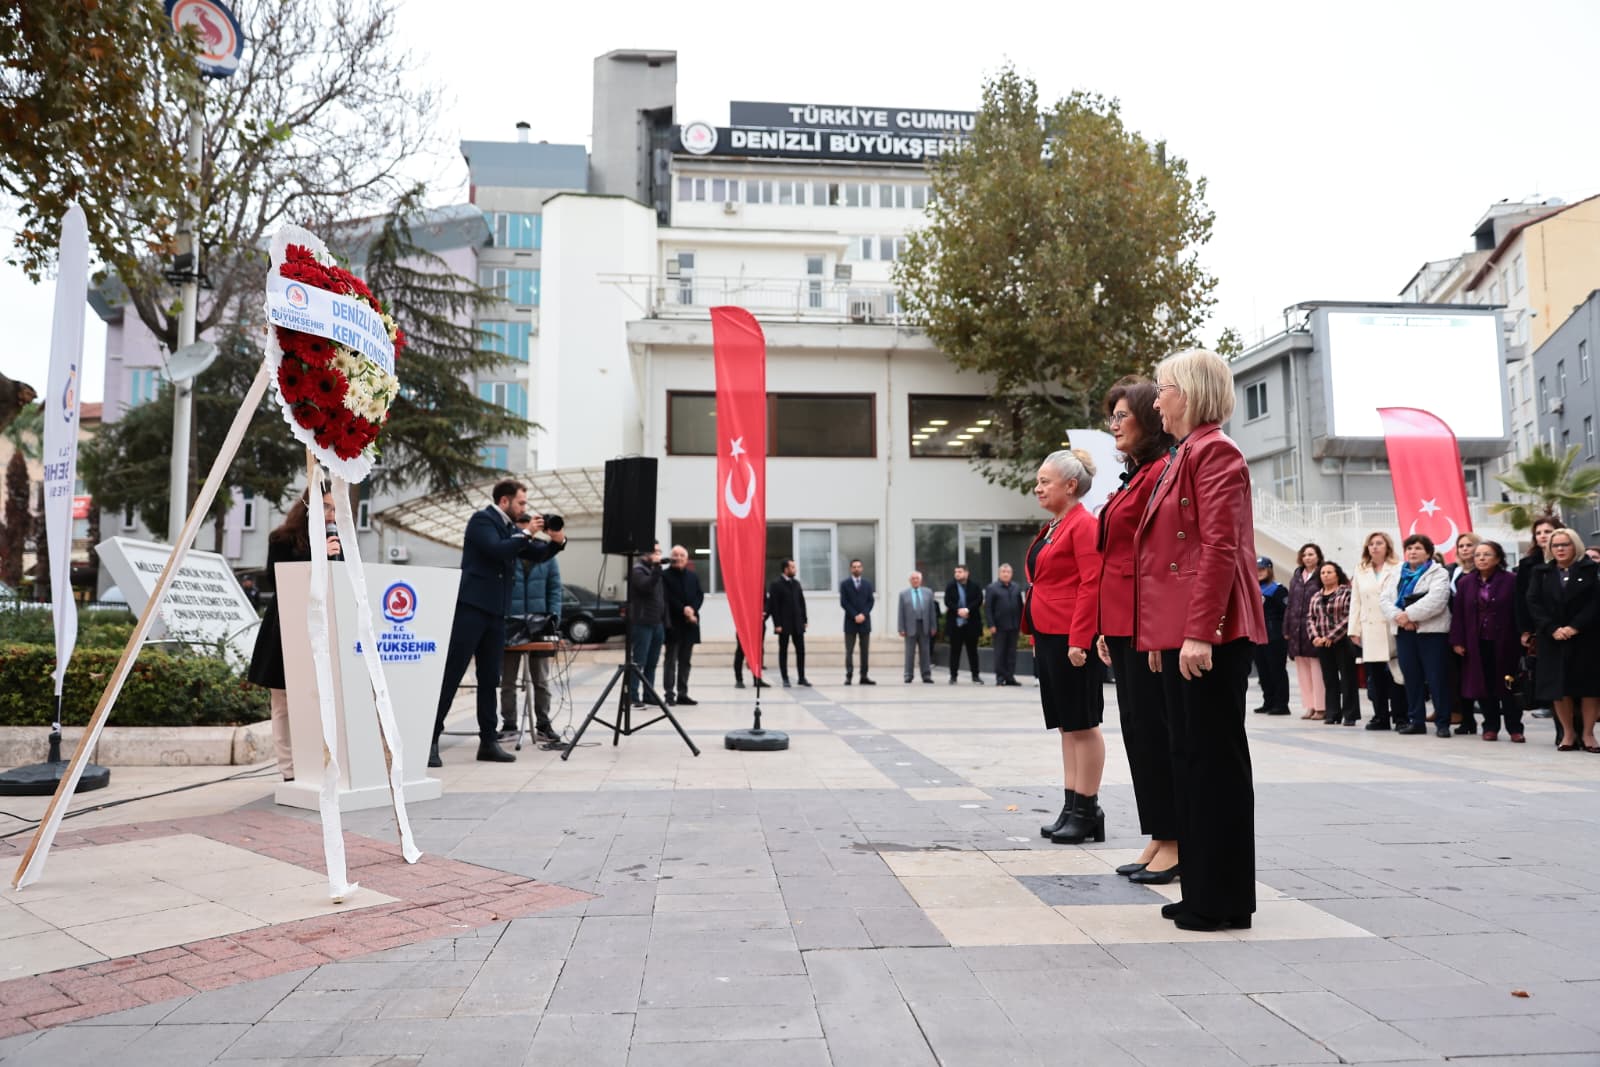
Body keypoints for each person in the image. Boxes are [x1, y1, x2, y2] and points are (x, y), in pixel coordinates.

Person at [1138, 348, 1266, 932]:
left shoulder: (1215, 450)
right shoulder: (1183, 452)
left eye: (1162, 388)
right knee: (1189, 759)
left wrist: (1198, 633)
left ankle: (1224, 898)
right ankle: (1203, 890)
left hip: (1210, 633)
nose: (1155, 399)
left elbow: (1217, 548)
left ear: (1188, 392)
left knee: (1213, 763)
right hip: (1187, 633)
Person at [1092, 376, 1179, 881]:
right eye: (1112, 416)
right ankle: (1158, 834)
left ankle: (1174, 837)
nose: (1114, 424)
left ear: (1149, 417)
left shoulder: (1161, 473)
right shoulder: (1137, 475)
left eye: (1123, 415)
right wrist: (1107, 625)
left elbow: (1158, 558)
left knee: (1154, 731)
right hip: (1123, 622)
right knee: (1138, 732)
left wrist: (1151, 628)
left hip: (1146, 624)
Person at [431, 479, 565, 766]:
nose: (524, 508)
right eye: (521, 503)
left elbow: (537, 555)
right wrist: (527, 532)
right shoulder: (482, 521)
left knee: (490, 679)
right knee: (452, 674)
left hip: (496, 613)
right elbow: (497, 550)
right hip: (471, 608)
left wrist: (557, 542)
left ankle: (488, 742)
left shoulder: (509, 529)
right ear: (504, 501)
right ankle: (430, 740)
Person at [1026, 448, 1105, 846]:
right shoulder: (1055, 526)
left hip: (1073, 637)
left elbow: (1092, 583)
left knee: (1083, 723)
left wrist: (1080, 640)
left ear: (1070, 486)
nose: (1037, 487)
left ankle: (1088, 808)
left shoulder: (1083, 525)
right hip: (1050, 635)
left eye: (1045, 481)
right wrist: (1036, 635)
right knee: (1065, 723)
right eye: (1039, 481)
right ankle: (1072, 804)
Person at [246, 485, 342, 781]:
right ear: (308, 506)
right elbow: (278, 579)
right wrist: (319, 557)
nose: (331, 515)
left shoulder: (337, 540)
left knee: (317, 698)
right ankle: (288, 769)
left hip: (323, 627)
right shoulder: (282, 538)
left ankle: (319, 764)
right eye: (326, 507)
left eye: (335, 509)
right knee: (283, 702)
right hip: (285, 627)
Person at [1526, 528, 1600, 751]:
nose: (1560, 549)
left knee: (1588, 688)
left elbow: (1595, 602)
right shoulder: (1541, 572)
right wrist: (1552, 628)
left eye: (1565, 544)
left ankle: (1588, 734)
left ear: (1574, 545)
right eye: (1555, 545)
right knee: (1560, 687)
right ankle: (1568, 734)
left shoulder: (1590, 569)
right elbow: (1533, 602)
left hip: (1585, 636)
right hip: (1553, 638)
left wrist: (1575, 626)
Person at [1449, 541, 1524, 743]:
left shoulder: (1511, 580)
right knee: (1483, 685)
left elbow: (1520, 610)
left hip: (1506, 641)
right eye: (1478, 555)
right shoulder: (1466, 583)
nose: (1481, 558)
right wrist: (1457, 640)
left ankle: (1515, 727)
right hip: (1476, 642)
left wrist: (1524, 635)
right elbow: (1458, 615)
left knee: (1507, 685)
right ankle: (1490, 726)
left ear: (1498, 558)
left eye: (1487, 554)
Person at [1382, 534, 1452, 737]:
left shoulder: (1438, 573)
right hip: (1404, 632)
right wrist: (1400, 618)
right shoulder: (1397, 572)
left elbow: (1436, 600)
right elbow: (1385, 599)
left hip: (1431, 633)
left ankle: (1442, 722)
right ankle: (1416, 720)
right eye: (1410, 548)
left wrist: (1409, 615)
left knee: (1436, 677)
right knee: (1411, 677)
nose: (1413, 552)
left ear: (1428, 553)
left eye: (1418, 548)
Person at [499, 551, 563, 746]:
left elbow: (554, 589)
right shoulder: (507, 552)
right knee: (508, 680)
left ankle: (543, 724)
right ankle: (509, 724)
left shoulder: (548, 556)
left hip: (540, 623)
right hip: (510, 624)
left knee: (541, 680)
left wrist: (553, 618)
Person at [1350, 531, 1405, 730]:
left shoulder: (1398, 567)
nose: (1374, 547)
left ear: (1387, 546)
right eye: (1371, 543)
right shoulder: (1361, 569)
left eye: (1379, 543)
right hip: (1369, 627)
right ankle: (1380, 716)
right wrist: (1353, 629)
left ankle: (1401, 716)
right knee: (1375, 676)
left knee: (1397, 675)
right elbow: (1355, 601)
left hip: (1391, 626)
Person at [1515, 515, 1559, 729]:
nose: (1543, 536)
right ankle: (1547, 704)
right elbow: (1522, 599)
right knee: (1544, 669)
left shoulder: (1572, 560)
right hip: (1538, 626)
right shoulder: (1528, 564)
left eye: (1548, 531)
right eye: (1539, 532)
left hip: (1568, 625)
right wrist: (1524, 630)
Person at [1308, 561, 1360, 726]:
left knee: (1347, 678)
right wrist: (1315, 637)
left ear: (1337, 575)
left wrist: (1331, 636)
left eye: (1329, 572)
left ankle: (1350, 715)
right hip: (1322, 643)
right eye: (1323, 573)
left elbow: (1348, 617)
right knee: (1329, 679)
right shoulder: (1316, 596)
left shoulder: (1346, 593)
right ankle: (1332, 713)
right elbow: (1310, 618)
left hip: (1342, 641)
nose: (1325, 575)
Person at [1446, 531, 1484, 735]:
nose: (1465, 549)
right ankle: (1467, 719)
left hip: (1480, 631)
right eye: (1461, 546)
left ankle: (1490, 721)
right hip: (1457, 630)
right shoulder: (1454, 572)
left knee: (1482, 677)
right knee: (1460, 678)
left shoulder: (1485, 572)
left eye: (1469, 545)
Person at [1286, 543, 1327, 720]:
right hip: (1296, 629)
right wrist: (1287, 628)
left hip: (1315, 628)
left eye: (1311, 554)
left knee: (1317, 670)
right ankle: (1309, 705)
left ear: (1318, 556)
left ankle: (1321, 707)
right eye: (1304, 555)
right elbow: (1290, 604)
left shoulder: (1322, 575)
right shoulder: (1296, 577)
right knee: (1302, 671)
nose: (1307, 558)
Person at [661, 544, 704, 705]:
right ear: (671, 558)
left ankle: (682, 693)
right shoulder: (664, 576)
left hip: (690, 624)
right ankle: (669, 694)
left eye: (682, 556)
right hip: (673, 624)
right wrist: (683, 609)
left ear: (686, 559)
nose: (679, 558)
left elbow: (699, 595)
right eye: (676, 555)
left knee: (685, 661)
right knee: (671, 661)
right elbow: (667, 598)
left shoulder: (693, 576)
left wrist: (692, 609)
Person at [627, 541, 667, 707]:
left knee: (652, 662)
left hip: (656, 623)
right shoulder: (638, 571)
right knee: (639, 661)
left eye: (659, 551)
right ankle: (633, 696)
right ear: (646, 554)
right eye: (655, 552)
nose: (658, 555)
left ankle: (649, 695)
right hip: (642, 623)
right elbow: (647, 587)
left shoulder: (652, 570)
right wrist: (657, 568)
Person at [1254, 557, 1290, 715]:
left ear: (1269, 570)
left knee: (1277, 670)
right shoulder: (1253, 588)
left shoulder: (1278, 589)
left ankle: (1281, 704)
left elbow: (1287, 613)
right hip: (1257, 636)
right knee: (1263, 671)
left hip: (1275, 636)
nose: (1259, 573)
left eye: (1262, 569)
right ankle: (1268, 701)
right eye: (1256, 569)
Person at [767, 558, 809, 686]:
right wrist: (777, 624)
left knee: (801, 651)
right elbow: (774, 606)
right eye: (792, 567)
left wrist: (804, 619)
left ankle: (802, 677)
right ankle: (785, 678)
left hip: (797, 623)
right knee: (783, 651)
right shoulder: (776, 584)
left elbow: (801, 603)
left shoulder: (796, 584)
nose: (794, 570)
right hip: (784, 624)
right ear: (786, 569)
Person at [943, 564, 985, 684]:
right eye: (956, 572)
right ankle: (953, 676)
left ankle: (975, 676)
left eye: (960, 572)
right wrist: (958, 610)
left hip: (971, 623)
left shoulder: (975, 586)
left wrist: (967, 610)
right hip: (956, 624)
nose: (957, 574)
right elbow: (947, 601)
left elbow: (979, 599)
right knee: (954, 651)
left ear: (966, 573)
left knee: (973, 652)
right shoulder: (950, 586)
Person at [986, 564, 1025, 686]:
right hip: (999, 627)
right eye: (1003, 571)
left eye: (1008, 572)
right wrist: (991, 624)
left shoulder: (1016, 587)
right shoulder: (992, 588)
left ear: (1011, 574)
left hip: (1013, 626)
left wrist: (1021, 625)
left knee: (1012, 653)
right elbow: (988, 608)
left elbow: (1020, 607)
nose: (1006, 574)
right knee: (1000, 653)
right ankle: (1000, 677)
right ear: (999, 573)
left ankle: (1010, 677)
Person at [839, 558, 876, 685]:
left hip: (865, 622)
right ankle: (849, 675)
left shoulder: (867, 584)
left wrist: (863, 614)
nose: (856, 569)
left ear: (862, 568)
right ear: (850, 569)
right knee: (849, 651)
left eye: (859, 566)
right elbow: (844, 602)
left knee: (864, 651)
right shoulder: (844, 584)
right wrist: (855, 615)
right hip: (850, 622)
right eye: (854, 567)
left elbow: (870, 601)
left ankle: (864, 676)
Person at [898, 571, 938, 682]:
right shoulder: (903, 594)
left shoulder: (928, 592)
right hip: (910, 626)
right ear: (910, 581)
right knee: (909, 652)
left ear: (921, 580)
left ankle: (926, 675)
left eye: (917, 578)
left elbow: (932, 611)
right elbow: (901, 612)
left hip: (924, 626)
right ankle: (908, 675)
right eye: (913, 578)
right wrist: (901, 628)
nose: (915, 580)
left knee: (925, 652)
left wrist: (933, 626)